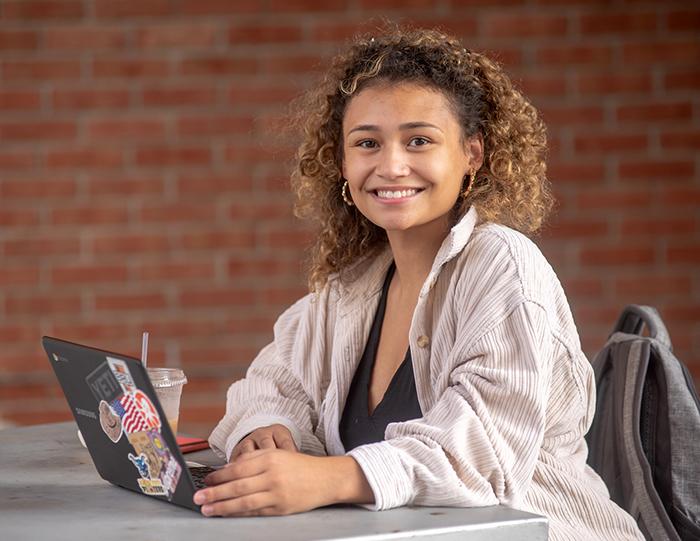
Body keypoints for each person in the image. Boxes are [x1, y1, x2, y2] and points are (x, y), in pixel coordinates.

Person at [198, 26, 645, 540]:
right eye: (367, 143)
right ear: (342, 163)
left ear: (471, 154)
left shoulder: (501, 265)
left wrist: (330, 478)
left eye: (418, 140)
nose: (391, 165)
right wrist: (265, 430)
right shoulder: (354, 287)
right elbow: (269, 384)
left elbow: (481, 457)